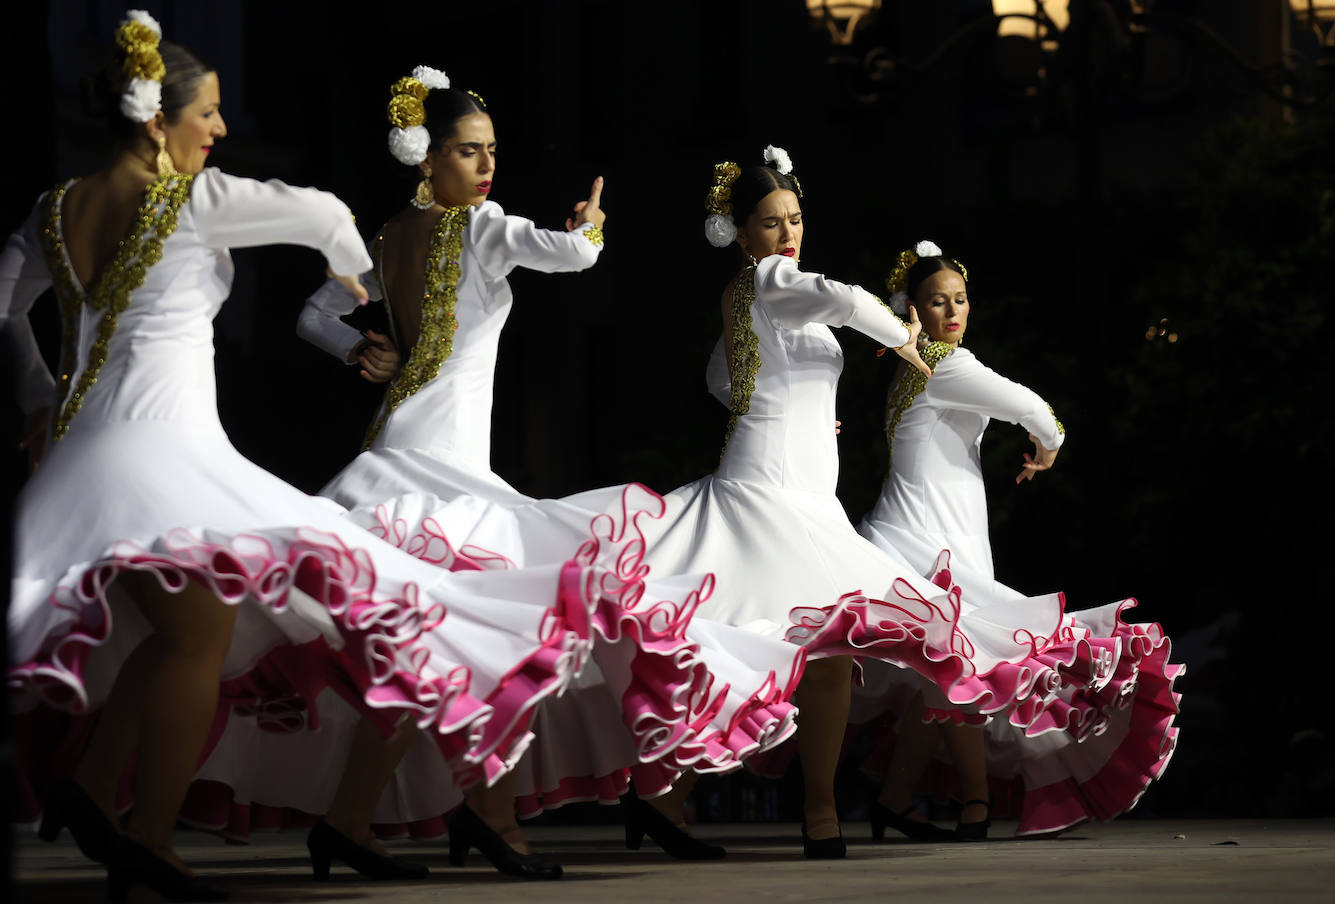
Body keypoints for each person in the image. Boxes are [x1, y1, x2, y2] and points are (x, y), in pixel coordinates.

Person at [3, 16, 623, 899]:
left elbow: (5, 305)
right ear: (156, 119)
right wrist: (583, 231)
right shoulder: (201, 201)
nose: (220, 130)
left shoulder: (55, 206)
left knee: (199, 626)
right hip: (187, 453)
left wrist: (36, 400)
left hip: (87, 457)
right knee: (403, 611)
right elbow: (553, 254)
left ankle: (108, 795)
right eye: (209, 114)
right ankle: (153, 825)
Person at [294, 67, 806, 866]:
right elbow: (573, 258)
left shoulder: (388, 235)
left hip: (390, 454)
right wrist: (593, 225)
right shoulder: (480, 225)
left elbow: (313, 313)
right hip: (445, 472)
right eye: (468, 152)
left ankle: (402, 819)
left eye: (491, 151)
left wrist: (361, 347)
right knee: (491, 636)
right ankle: (461, 819)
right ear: (424, 156)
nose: (486, 166)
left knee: (440, 646)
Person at [636, 146, 1152, 858]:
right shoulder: (770, 279)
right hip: (769, 496)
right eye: (769, 222)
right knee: (769, 647)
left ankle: (801, 812)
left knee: (820, 654)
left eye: (794, 218)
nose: (787, 233)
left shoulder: (751, 296)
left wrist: (797, 407)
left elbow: (722, 379)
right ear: (741, 232)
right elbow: (846, 300)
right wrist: (902, 337)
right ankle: (685, 798)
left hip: (804, 495)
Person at [856, 240, 1182, 838]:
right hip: (932, 547)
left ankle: (911, 801)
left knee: (948, 676)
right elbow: (1036, 409)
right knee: (969, 666)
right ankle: (962, 802)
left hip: (916, 535)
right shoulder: (947, 365)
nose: (952, 312)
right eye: (936, 302)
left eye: (960, 299)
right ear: (911, 308)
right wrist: (1049, 447)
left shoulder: (907, 367)